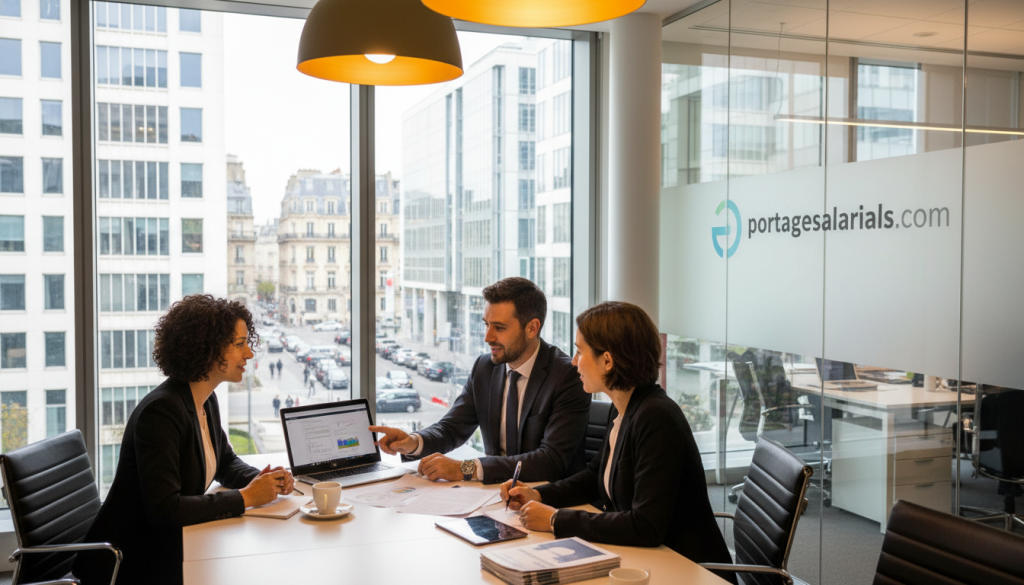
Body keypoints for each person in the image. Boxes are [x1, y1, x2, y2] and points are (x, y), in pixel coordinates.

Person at [500, 301, 735, 581]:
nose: (574, 362)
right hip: (648, 559)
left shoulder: (656, 417)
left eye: (579, 351)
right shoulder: (624, 405)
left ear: (607, 361)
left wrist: (555, 519)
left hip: (685, 569)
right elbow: (593, 476)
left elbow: (645, 526)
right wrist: (540, 495)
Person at [74, 295, 295, 585]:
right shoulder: (161, 412)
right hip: (131, 561)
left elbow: (225, 461)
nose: (249, 355)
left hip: (174, 545)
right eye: (239, 344)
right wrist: (247, 497)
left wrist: (265, 481)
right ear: (207, 349)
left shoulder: (204, 398)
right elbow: (166, 511)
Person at [370, 277, 591, 485]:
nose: (488, 337)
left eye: (499, 328)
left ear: (532, 328)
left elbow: (551, 460)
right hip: (493, 495)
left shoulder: (567, 375)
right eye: (486, 324)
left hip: (549, 501)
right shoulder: (485, 368)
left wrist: (467, 468)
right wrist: (413, 441)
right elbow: (452, 428)